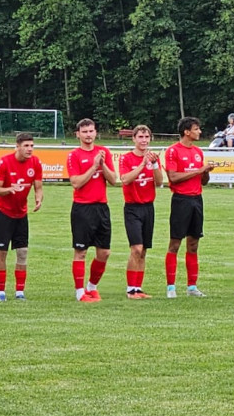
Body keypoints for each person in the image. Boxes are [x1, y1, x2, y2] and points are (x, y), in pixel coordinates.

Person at [67, 118, 119, 302]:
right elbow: (76, 183)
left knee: (104, 252)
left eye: (91, 131)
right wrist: (93, 166)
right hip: (82, 208)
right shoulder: (74, 155)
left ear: (96, 132)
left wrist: (102, 164)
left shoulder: (104, 152)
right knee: (81, 251)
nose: (88, 135)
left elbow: (113, 180)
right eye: (84, 132)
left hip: (101, 207)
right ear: (78, 134)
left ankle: (92, 287)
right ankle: (79, 292)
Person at [164, 117, 214, 299]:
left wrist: (205, 173)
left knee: (193, 244)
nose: (199, 132)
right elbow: (173, 177)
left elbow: (203, 181)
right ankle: (171, 287)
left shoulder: (198, 152)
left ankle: (192, 287)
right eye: (196, 129)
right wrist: (199, 171)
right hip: (181, 200)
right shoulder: (173, 151)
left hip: (197, 200)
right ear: (186, 132)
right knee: (175, 244)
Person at [0, 132, 43, 301]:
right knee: (2, 252)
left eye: (32, 146)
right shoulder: (4, 162)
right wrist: (10, 189)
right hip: (3, 211)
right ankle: (0, 291)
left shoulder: (35, 162)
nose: (30, 149)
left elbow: (38, 187)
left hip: (21, 212)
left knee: (22, 251)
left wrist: (38, 198)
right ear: (17, 146)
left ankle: (20, 292)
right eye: (26, 146)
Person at [120, 125, 164, 298]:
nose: (144, 140)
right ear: (134, 139)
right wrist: (142, 164)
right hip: (132, 208)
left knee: (143, 250)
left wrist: (154, 164)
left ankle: (138, 288)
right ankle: (130, 289)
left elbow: (159, 182)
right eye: (140, 137)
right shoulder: (126, 158)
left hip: (148, 208)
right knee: (136, 249)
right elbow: (125, 179)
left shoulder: (153, 158)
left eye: (146, 137)